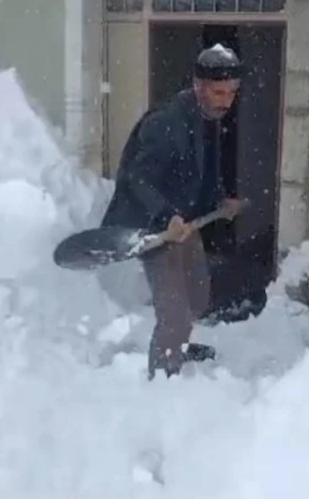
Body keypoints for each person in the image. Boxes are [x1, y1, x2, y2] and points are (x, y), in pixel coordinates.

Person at [100, 43, 248, 378]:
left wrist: (221, 201)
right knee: (175, 313)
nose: (226, 100)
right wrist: (167, 216)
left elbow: (203, 169)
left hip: (185, 223)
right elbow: (137, 178)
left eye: (232, 92)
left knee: (197, 296)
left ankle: (178, 344)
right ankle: (164, 374)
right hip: (154, 228)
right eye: (219, 91)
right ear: (199, 86)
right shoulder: (167, 122)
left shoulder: (207, 117)